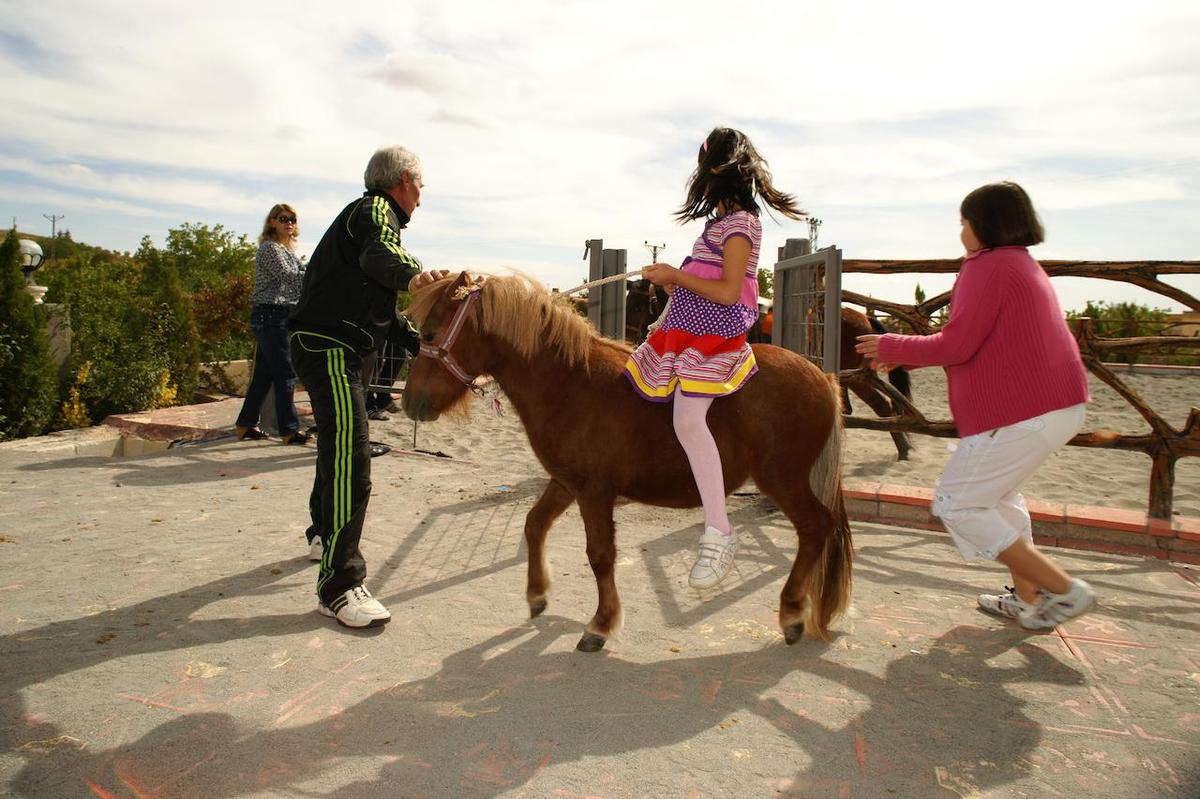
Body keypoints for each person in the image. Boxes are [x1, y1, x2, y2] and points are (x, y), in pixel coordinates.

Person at [855, 181, 1095, 630]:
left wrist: (889, 342)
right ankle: (1031, 599)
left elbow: (959, 342)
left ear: (983, 224)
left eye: (963, 222)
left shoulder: (988, 266)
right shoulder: (1019, 264)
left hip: (1024, 411)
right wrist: (905, 354)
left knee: (958, 504)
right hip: (1050, 406)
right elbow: (986, 344)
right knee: (998, 499)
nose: (961, 232)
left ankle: (1064, 590)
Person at [624, 127, 805, 589]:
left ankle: (719, 530)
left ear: (716, 175)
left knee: (687, 419)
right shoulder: (718, 226)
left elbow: (727, 291)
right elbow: (710, 277)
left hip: (714, 334)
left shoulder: (742, 224)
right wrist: (673, 281)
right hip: (687, 327)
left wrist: (677, 278)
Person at [288, 146, 448, 628]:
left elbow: (379, 307)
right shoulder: (375, 211)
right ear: (402, 180)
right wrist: (414, 274)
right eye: (420, 186)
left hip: (331, 346)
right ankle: (339, 586)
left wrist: (421, 343)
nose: (421, 197)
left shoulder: (365, 222)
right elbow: (384, 254)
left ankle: (321, 532)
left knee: (336, 450)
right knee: (351, 458)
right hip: (328, 347)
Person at [234, 203, 311, 445]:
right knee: (285, 374)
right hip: (270, 316)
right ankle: (288, 430)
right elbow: (291, 278)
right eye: (283, 218)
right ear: (272, 222)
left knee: (264, 377)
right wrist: (319, 270)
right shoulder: (270, 249)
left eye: (292, 219)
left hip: (277, 316)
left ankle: (245, 425)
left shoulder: (287, 251)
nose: (289, 222)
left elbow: (301, 274)